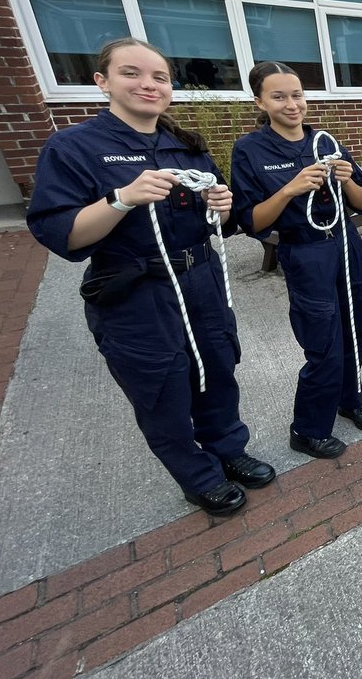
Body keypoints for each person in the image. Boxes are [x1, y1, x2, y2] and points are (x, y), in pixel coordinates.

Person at [27, 38, 274, 517]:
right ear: (103, 83)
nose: (148, 84)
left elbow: (220, 223)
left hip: (200, 279)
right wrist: (121, 199)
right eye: (131, 73)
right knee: (161, 386)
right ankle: (197, 475)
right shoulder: (74, 148)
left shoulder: (185, 145)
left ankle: (227, 448)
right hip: (136, 291)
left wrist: (221, 210)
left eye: (159, 77)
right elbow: (64, 235)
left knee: (216, 366)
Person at [231, 62, 362, 462]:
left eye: (297, 94)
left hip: (346, 244)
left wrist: (347, 179)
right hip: (305, 250)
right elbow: (251, 221)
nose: (292, 104)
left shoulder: (325, 140)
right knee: (324, 342)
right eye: (279, 96)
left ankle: (350, 398)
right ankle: (308, 429)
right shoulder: (250, 150)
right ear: (259, 100)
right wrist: (289, 189)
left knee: (357, 328)